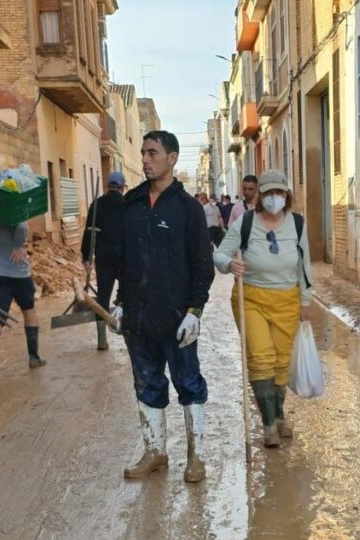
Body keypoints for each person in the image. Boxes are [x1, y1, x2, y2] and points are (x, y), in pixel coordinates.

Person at [113, 130, 214, 483]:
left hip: (176, 318)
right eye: (142, 152)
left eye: (152, 152)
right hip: (138, 318)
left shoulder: (188, 209)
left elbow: (203, 265)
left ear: (172, 158)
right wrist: (120, 303)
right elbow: (124, 260)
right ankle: (155, 451)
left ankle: (196, 456)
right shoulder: (132, 205)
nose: (144, 159)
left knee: (188, 383)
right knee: (146, 383)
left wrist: (194, 312)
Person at [214, 169, 313, 448]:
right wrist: (229, 264)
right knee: (260, 357)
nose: (274, 198)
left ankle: (279, 414)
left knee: (282, 360)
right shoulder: (245, 222)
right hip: (251, 298)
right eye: (268, 193)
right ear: (260, 195)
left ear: (287, 195)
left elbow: (304, 266)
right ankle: (269, 424)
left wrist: (306, 301)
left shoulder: (297, 223)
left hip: (287, 299)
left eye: (279, 193)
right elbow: (219, 253)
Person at [0, 218, 46, 376]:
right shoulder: (13, 200)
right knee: (28, 310)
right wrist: (17, 245)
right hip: (18, 270)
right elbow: (21, 225)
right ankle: (34, 358)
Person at [81, 171, 126, 350]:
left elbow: (89, 232)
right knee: (127, 296)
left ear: (108, 186)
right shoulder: (127, 204)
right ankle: (128, 335)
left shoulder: (97, 204)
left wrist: (86, 258)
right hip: (124, 258)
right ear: (122, 187)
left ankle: (101, 340)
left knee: (103, 296)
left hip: (103, 258)